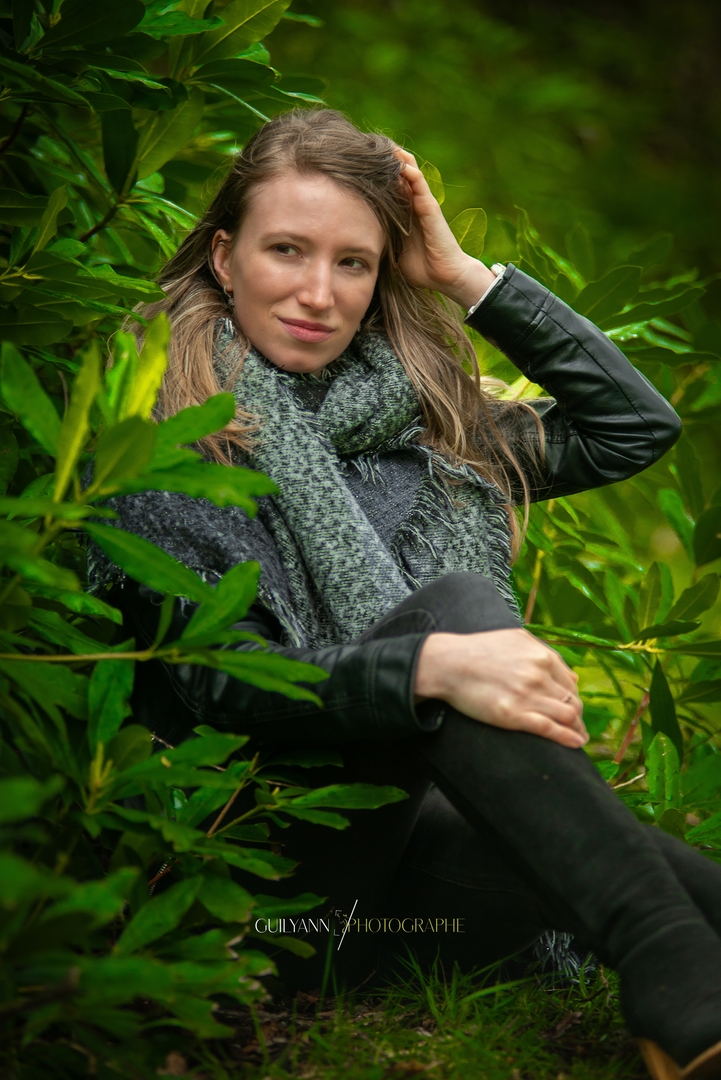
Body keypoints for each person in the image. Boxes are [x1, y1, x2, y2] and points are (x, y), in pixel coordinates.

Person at [92, 109, 721, 1080]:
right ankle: (671, 976)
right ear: (223, 257)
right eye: (287, 250)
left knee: (586, 847)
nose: (318, 292)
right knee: (455, 613)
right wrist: (425, 666)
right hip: (251, 883)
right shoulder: (169, 437)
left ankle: (682, 980)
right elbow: (218, 680)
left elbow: (631, 427)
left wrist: (466, 278)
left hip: (404, 891)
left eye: (353, 262)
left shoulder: (428, 441)